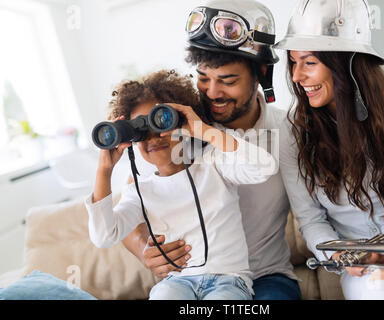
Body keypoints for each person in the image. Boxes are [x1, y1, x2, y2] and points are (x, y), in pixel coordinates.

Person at [121, 0, 302, 300]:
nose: (213, 93)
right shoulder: (179, 131)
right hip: (198, 281)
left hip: (268, 277)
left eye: (228, 81)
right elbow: (132, 192)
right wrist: (142, 248)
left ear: (261, 74)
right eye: (203, 79)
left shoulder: (288, 131)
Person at [275, 0, 384, 300]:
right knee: (383, 288)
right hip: (362, 261)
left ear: (346, 62)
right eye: (293, 62)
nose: (296, 76)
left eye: (309, 62)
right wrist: (343, 256)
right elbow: (312, 222)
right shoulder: (296, 136)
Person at [85, 69, 278, 300]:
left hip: (229, 280)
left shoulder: (214, 165)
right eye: (140, 132)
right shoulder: (140, 189)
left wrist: (204, 131)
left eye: (161, 122)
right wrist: (104, 170)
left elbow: (265, 167)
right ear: (131, 140)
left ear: (182, 124)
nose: (153, 138)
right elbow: (104, 235)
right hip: (177, 283)